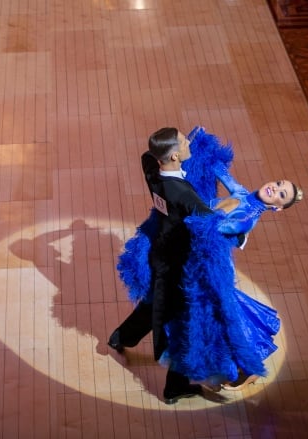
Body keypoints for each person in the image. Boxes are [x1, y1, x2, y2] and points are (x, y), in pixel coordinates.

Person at [114, 127, 303, 393]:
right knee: (181, 320)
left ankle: (129, 344)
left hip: (199, 267)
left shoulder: (246, 215)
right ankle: (174, 383)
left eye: (281, 194)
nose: (276, 188)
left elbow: (216, 227)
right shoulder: (234, 195)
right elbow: (222, 176)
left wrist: (232, 233)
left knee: (187, 317)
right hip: (182, 259)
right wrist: (202, 150)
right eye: (280, 183)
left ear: (278, 208)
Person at [109, 127, 213, 404]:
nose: (189, 141)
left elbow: (148, 155)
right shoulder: (183, 194)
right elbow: (211, 223)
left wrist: (167, 146)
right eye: (184, 141)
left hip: (160, 253)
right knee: (180, 325)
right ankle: (175, 388)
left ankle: (121, 337)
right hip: (178, 265)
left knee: (154, 300)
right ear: (176, 156)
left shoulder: (153, 172)